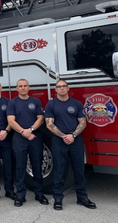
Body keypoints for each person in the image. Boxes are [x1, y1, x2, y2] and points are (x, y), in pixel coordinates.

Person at [45, 80, 96, 210]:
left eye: (64, 86)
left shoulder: (76, 104)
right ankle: (58, 198)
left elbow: (82, 122)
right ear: (55, 90)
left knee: (79, 169)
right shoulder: (51, 104)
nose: (61, 89)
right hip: (58, 140)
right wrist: (63, 136)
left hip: (75, 140)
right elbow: (49, 124)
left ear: (68, 89)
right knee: (59, 170)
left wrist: (72, 136)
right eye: (59, 87)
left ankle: (82, 197)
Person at [7, 79, 49, 207]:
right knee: (20, 166)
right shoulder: (12, 102)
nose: (23, 88)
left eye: (25, 86)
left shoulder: (35, 101)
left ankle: (39, 193)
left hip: (34, 136)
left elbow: (40, 118)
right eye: (20, 86)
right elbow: (11, 120)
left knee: (37, 164)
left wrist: (30, 130)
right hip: (19, 137)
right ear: (17, 88)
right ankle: (20, 195)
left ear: (29, 87)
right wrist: (23, 132)